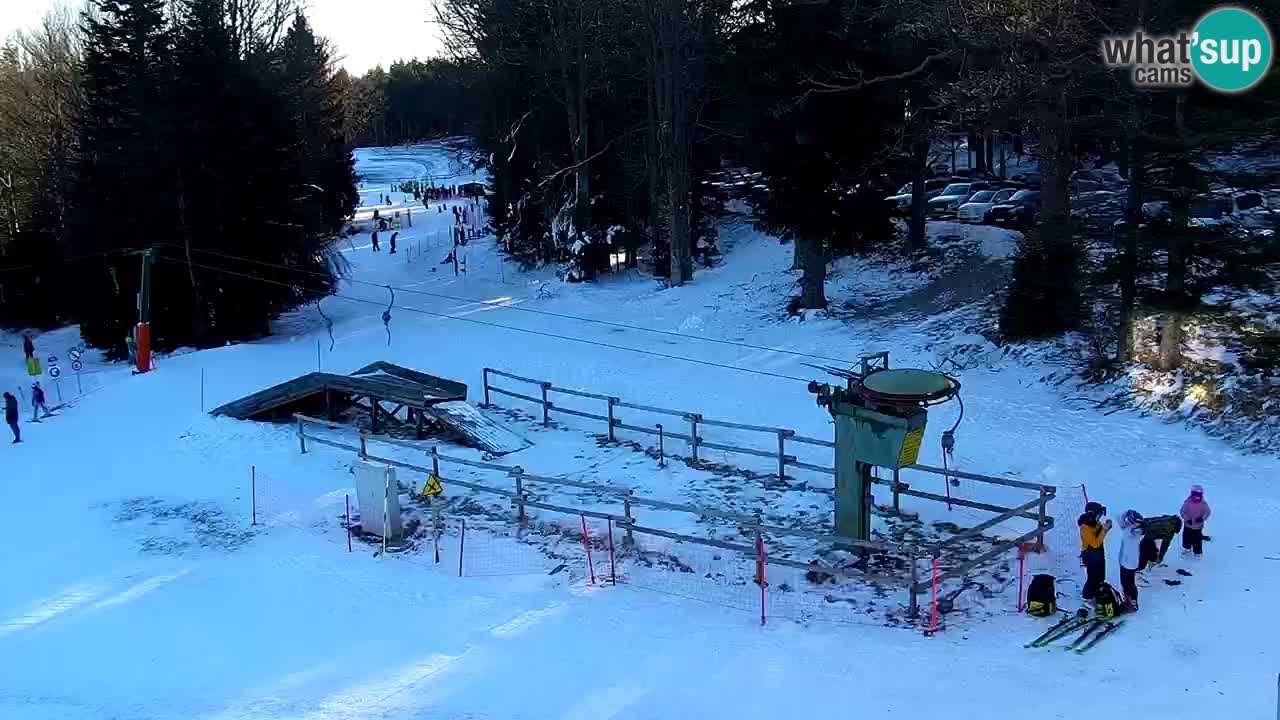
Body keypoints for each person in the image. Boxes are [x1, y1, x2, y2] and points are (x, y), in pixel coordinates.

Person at [1078, 501, 1111, 600]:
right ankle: (1087, 597)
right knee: (1092, 578)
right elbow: (1095, 543)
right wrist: (1104, 530)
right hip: (1090, 555)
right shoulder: (1085, 528)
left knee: (1100, 576)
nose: (1099, 518)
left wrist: (1106, 527)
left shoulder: (1094, 522)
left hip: (1098, 554)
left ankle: (1097, 592)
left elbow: (1099, 531)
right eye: (1098, 515)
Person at [1117, 510, 1143, 611]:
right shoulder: (1128, 529)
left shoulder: (1136, 533)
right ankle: (1126, 601)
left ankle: (1133, 602)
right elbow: (1119, 517)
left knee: (1130, 584)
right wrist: (1126, 512)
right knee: (1124, 583)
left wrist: (1133, 522)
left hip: (1131, 563)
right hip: (1123, 561)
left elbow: (1124, 526)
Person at [1180, 485, 1211, 556]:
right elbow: (1182, 511)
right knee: (1186, 538)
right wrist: (1187, 519)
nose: (1196, 498)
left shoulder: (1203, 504)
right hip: (1188, 525)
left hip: (1198, 526)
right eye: (1195, 496)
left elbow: (1207, 512)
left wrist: (1202, 518)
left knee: (1197, 539)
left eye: (1198, 496)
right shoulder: (1187, 503)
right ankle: (1187, 548)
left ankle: (1197, 552)